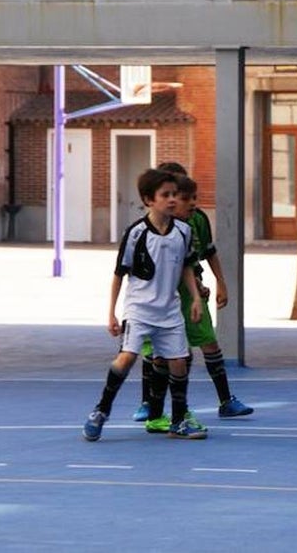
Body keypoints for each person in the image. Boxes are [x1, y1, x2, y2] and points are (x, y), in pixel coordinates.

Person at [82, 168, 206, 441]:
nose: (172, 200)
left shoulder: (183, 232)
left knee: (179, 363)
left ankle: (178, 420)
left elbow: (186, 266)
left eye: (175, 194)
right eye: (166, 195)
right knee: (127, 358)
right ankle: (101, 410)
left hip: (170, 309)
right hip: (139, 308)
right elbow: (118, 274)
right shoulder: (136, 233)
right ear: (149, 200)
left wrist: (195, 297)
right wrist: (112, 313)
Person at [134, 171, 253, 434]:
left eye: (191, 197)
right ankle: (154, 408)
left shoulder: (196, 222)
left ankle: (224, 401)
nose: (190, 203)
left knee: (205, 343)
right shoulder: (150, 230)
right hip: (161, 300)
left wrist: (218, 283)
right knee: (162, 355)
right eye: (181, 197)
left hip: (191, 296)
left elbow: (204, 255)